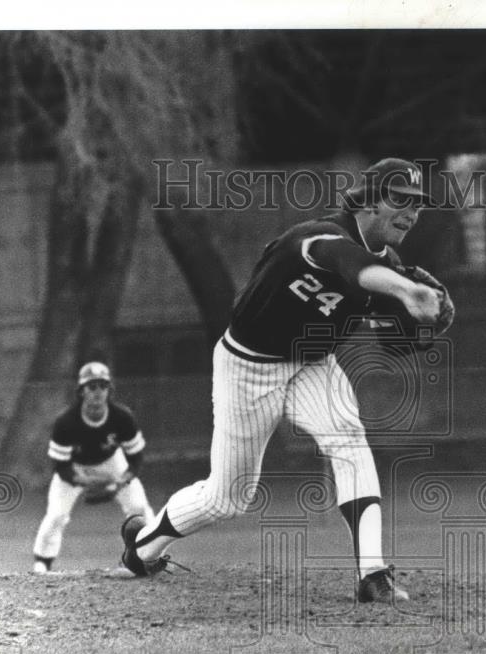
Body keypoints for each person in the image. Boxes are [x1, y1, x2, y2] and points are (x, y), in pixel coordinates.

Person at [121, 158, 445, 603]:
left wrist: (411, 324)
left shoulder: (388, 265)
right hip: (249, 366)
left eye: (418, 204)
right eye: (400, 200)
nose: (411, 212)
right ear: (368, 201)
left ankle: (373, 575)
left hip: (312, 363)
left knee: (350, 441)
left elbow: (386, 331)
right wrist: (408, 292)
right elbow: (347, 265)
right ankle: (142, 547)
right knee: (228, 498)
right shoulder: (320, 237)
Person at [32, 361, 156, 574]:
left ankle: (150, 555)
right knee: (56, 515)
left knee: (138, 507)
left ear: (109, 390)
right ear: (81, 391)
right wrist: (82, 481)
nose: (98, 392)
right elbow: (60, 466)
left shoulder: (122, 417)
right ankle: (42, 562)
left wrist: (121, 481)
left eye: (103, 386)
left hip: (112, 462)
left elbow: (135, 458)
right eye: (92, 386)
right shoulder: (66, 422)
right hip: (76, 467)